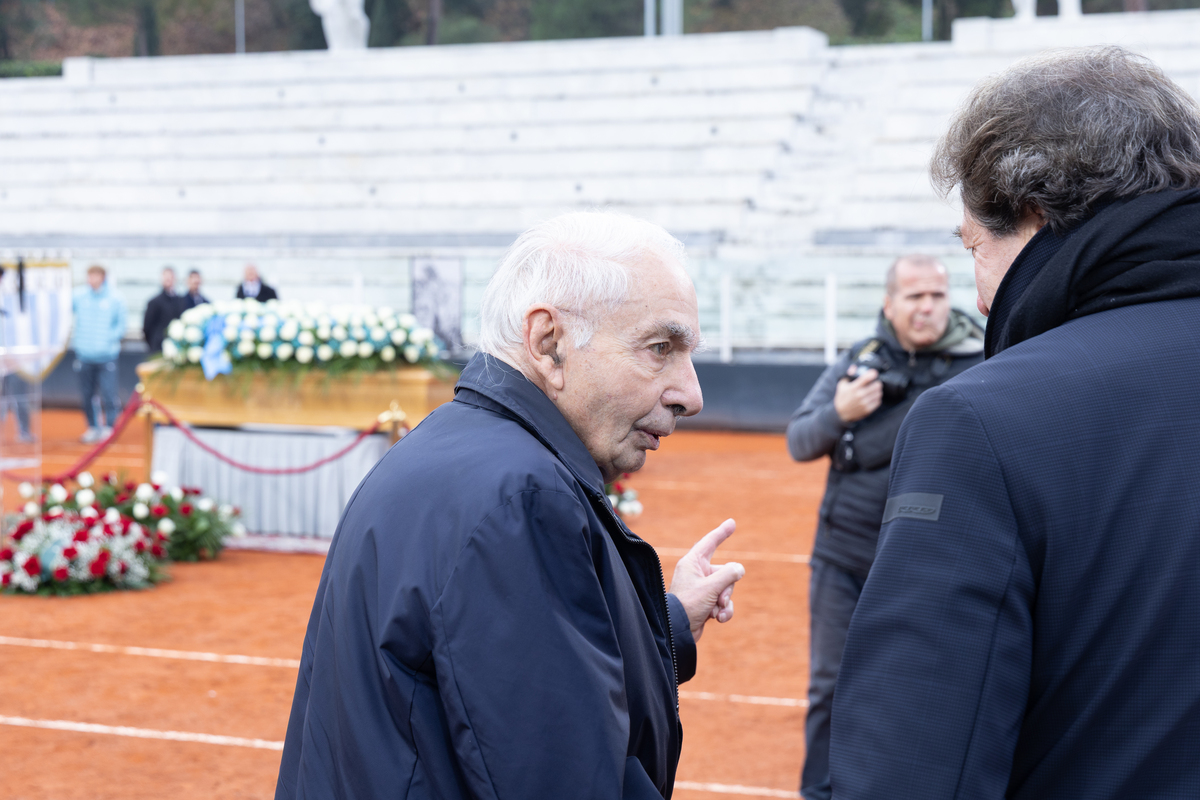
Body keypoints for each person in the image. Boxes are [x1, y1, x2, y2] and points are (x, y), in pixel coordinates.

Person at [830, 47, 1200, 799]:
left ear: (1032, 211)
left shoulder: (979, 421)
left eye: (973, 246)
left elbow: (915, 764)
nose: (979, 293)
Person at [276, 212, 747, 800]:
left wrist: (672, 621)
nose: (691, 394)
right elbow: (563, 777)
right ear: (549, 343)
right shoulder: (522, 499)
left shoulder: (452, 447)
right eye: (660, 348)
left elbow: (499, 684)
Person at [786, 255, 983, 800]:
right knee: (830, 685)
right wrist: (841, 413)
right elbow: (800, 441)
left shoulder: (982, 359)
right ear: (888, 304)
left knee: (924, 688)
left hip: (929, 561)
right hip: (843, 555)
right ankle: (819, 792)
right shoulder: (860, 361)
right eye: (915, 296)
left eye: (937, 296)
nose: (927, 307)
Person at [71, 265, 126, 444]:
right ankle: (93, 427)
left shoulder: (115, 298)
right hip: (84, 355)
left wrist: (108, 340)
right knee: (87, 395)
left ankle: (110, 428)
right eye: (89, 275)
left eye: (95, 275)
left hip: (107, 356)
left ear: (102, 277)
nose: (91, 279)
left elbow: (121, 324)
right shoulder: (79, 296)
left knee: (109, 394)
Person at [142, 266, 183, 353]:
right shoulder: (154, 302)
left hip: (177, 348)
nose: (168, 280)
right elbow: (147, 328)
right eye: (166, 277)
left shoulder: (181, 301)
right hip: (158, 348)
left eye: (171, 277)